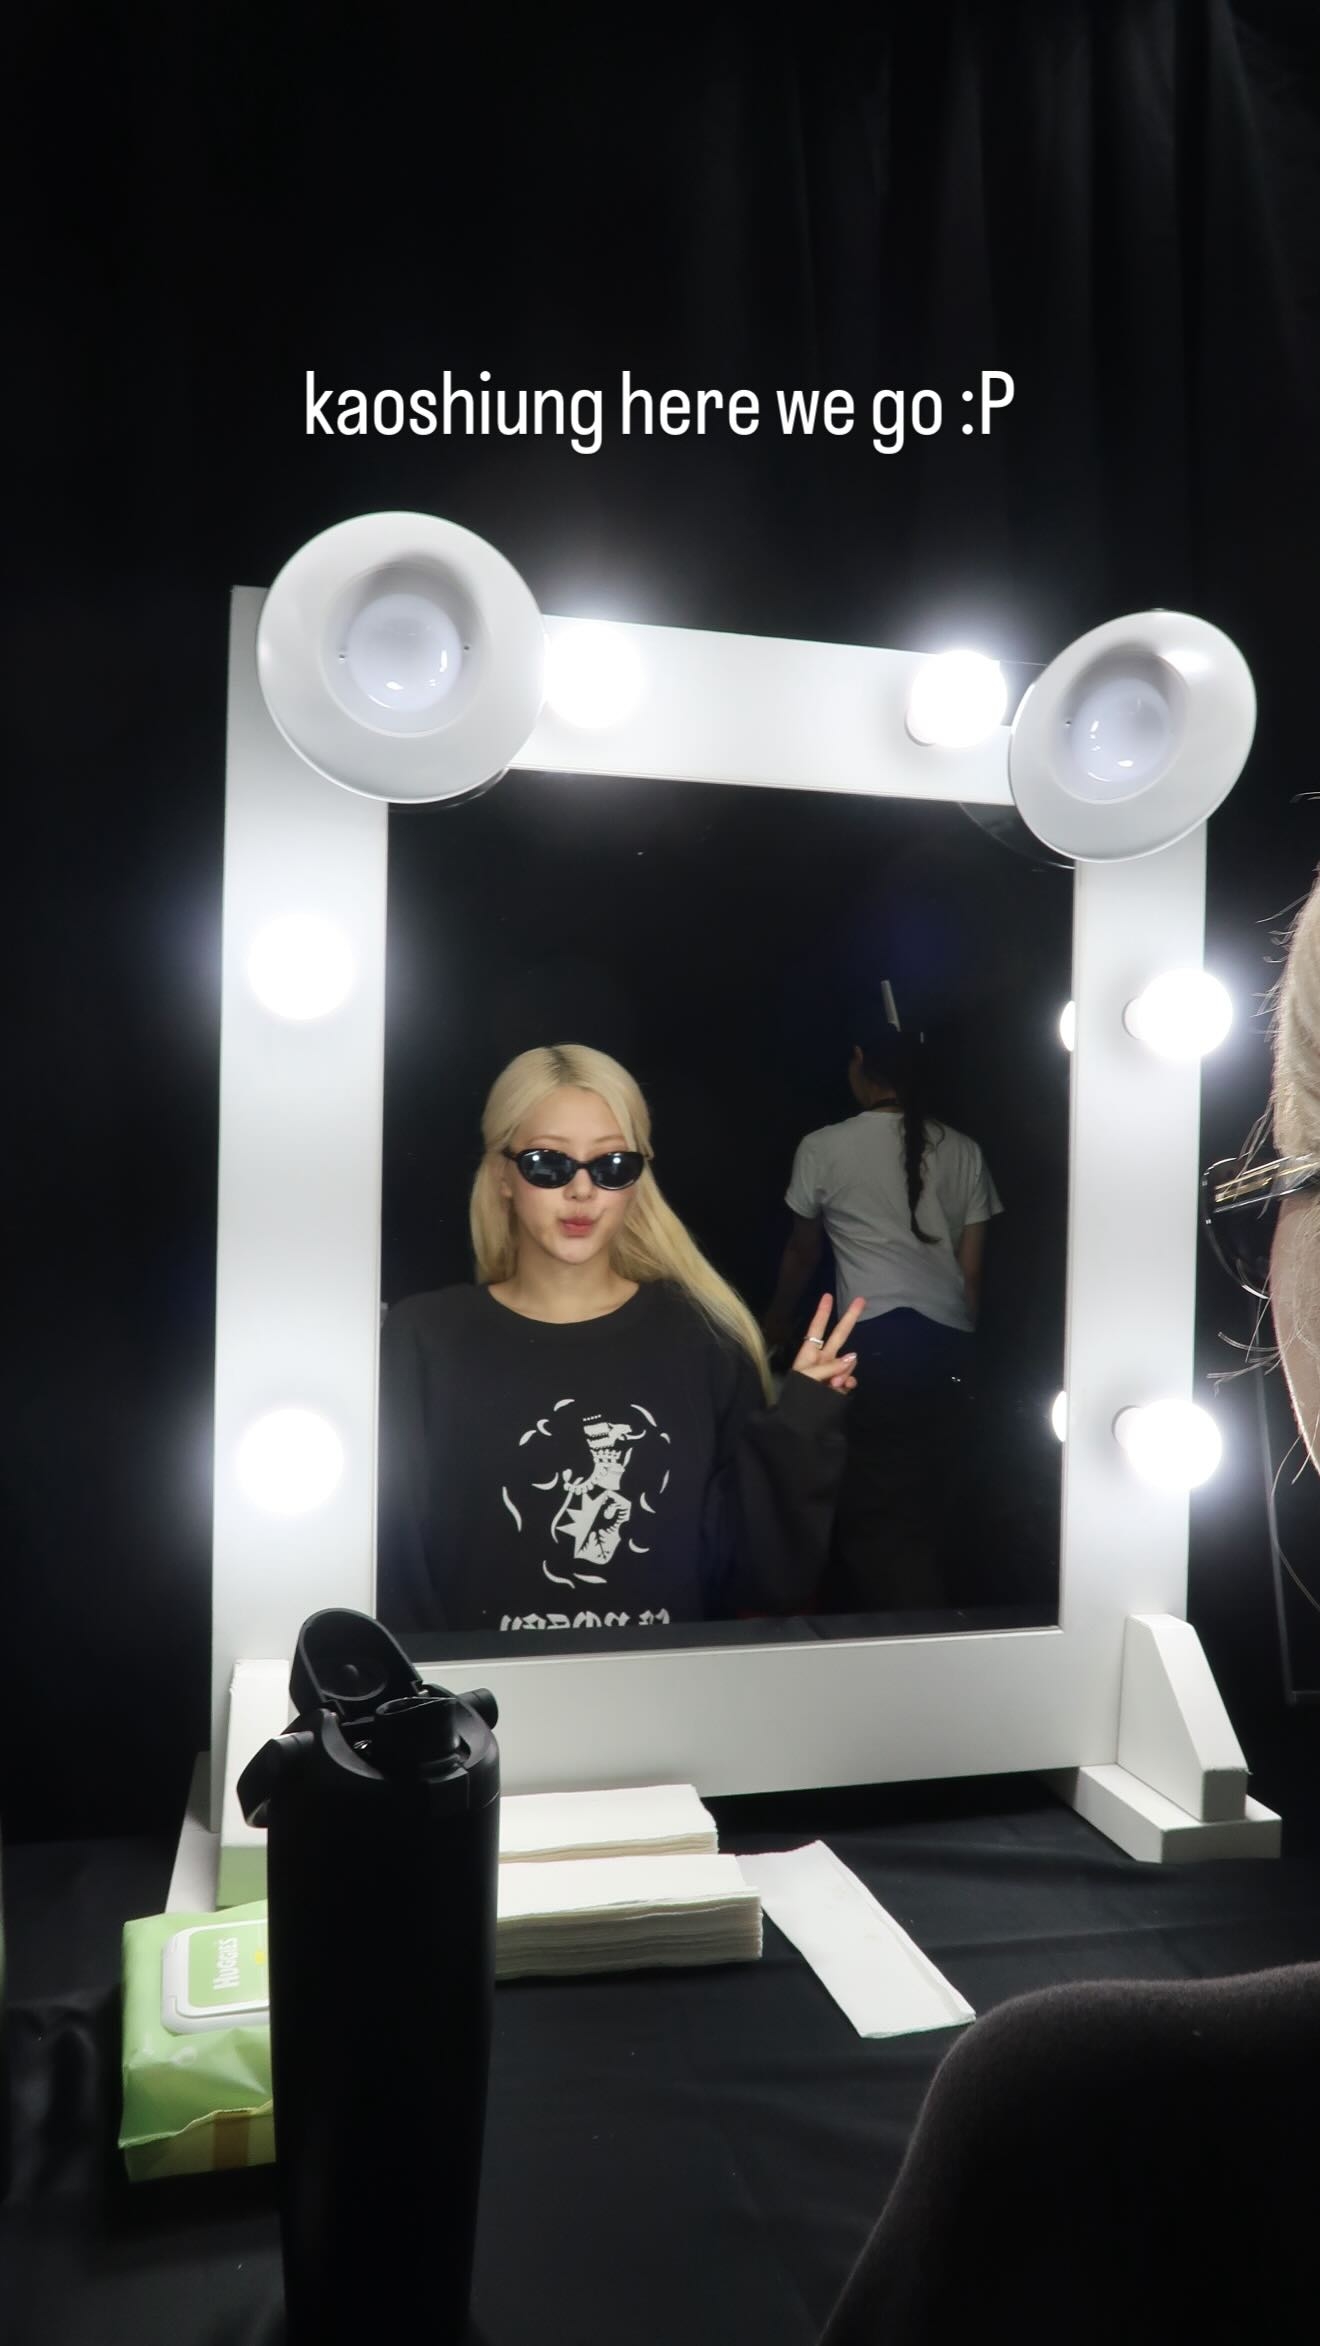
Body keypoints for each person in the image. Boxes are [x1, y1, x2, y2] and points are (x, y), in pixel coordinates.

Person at [816, 870, 1320, 2346]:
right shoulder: (971, 1153)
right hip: (944, 1361)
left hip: (863, 1357)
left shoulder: (1079, 2129)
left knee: (866, 1543)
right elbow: (975, 1286)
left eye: (1277, 1177)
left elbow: (804, 1266)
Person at [375, 1043, 863, 1636]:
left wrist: (802, 1423)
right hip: (481, 1694)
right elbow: (396, 1569)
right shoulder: (425, 1341)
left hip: (660, 1689)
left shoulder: (703, 1340)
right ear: (503, 1174)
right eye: (548, 1163)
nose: (582, 1191)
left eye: (610, 1166)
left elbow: (758, 1578)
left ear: (636, 1179)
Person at [764, 1028, 1002, 1609]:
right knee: (935, 1506)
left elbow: (802, 1253)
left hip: (872, 1345)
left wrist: (775, 1320)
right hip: (948, 1346)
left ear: (859, 1065)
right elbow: (971, 1277)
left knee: (876, 1513)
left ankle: (898, 1633)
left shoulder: (823, 1147)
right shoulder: (965, 1150)